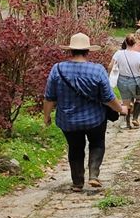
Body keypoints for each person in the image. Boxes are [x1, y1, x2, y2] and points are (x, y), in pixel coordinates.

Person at [42, 33, 127, 192]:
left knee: (75, 148)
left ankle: (77, 183)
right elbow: (108, 98)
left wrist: (46, 117)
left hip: (68, 121)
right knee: (97, 144)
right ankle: (93, 175)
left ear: (70, 51)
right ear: (88, 51)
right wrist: (121, 109)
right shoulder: (97, 70)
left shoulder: (57, 69)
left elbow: (49, 97)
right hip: (94, 119)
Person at [112, 34, 140, 129]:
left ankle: (127, 123)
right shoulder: (139, 56)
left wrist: (109, 76)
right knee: (139, 98)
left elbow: (111, 65)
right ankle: (135, 118)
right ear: (135, 43)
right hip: (136, 81)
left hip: (122, 80)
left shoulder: (118, 53)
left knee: (126, 102)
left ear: (125, 42)